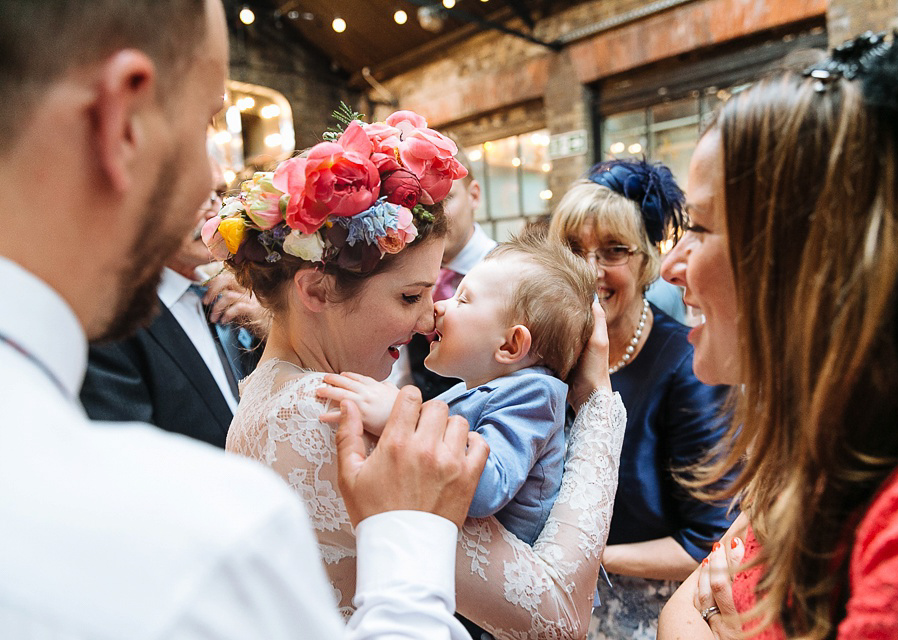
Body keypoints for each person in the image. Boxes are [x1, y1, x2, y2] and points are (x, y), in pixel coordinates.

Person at [0, 0, 501, 636]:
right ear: (123, 118)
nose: (215, 179)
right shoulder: (204, 538)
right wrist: (408, 536)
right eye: (208, 119)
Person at [209, 108, 628, 638]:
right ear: (315, 290)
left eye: (434, 291)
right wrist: (598, 409)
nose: (431, 315)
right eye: (410, 295)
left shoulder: (271, 389)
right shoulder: (330, 416)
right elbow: (556, 615)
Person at [657, 9, 898, 639]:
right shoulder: (816, 453)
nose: (671, 267)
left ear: (811, 263)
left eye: (704, 230)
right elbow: (677, 615)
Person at [548, 159, 736, 639]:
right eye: (573, 249)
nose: (589, 271)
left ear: (648, 261)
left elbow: (707, 540)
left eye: (613, 251)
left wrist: (580, 555)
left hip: (645, 613)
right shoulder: (545, 353)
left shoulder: (688, 367)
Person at [317, 232, 595, 545]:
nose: (438, 307)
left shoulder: (534, 394)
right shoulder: (477, 388)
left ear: (510, 344)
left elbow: (488, 485)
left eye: (462, 300)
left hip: (509, 581)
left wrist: (398, 419)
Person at [81, 157, 264, 447]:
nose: (213, 210)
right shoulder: (111, 320)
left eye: (218, 194)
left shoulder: (237, 294)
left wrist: (268, 325)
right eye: (194, 196)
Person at [393, 153, 498, 399]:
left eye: (445, 199)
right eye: (421, 205)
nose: (433, 217)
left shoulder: (517, 272)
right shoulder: (401, 275)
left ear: (474, 195)